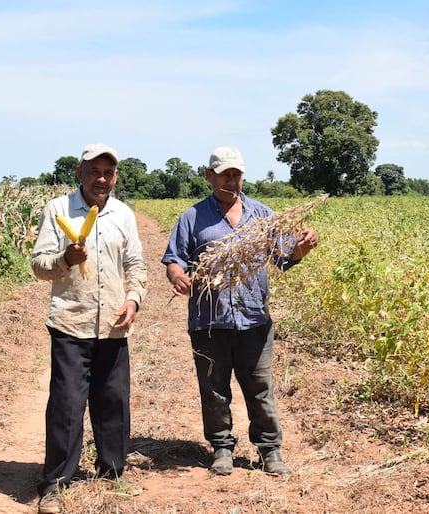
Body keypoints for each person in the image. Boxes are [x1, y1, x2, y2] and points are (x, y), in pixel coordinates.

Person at [161, 146, 318, 477]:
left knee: (259, 389)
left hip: (253, 319)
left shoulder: (262, 215)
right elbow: (174, 258)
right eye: (224, 174)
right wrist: (178, 276)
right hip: (208, 321)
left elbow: (284, 257)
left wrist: (301, 249)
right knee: (214, 389)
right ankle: (221, 448)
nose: (231, 181)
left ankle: (269, 451)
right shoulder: (192, 218)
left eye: (237, 174)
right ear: (210, 176)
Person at [30, 143, 147, 514]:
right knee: (66, 406)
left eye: (108, 173)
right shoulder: (59, 210)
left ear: (115, 177)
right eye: (94, 171)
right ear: (80, 174)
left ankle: (111, 473)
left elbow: (136, 266)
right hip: (70, 321)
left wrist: (133, 300)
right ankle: (55, 483)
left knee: (113, 402)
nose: (101, 178)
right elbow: (38, 264)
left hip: (113, 325)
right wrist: (66, 258)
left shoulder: (123, 215)